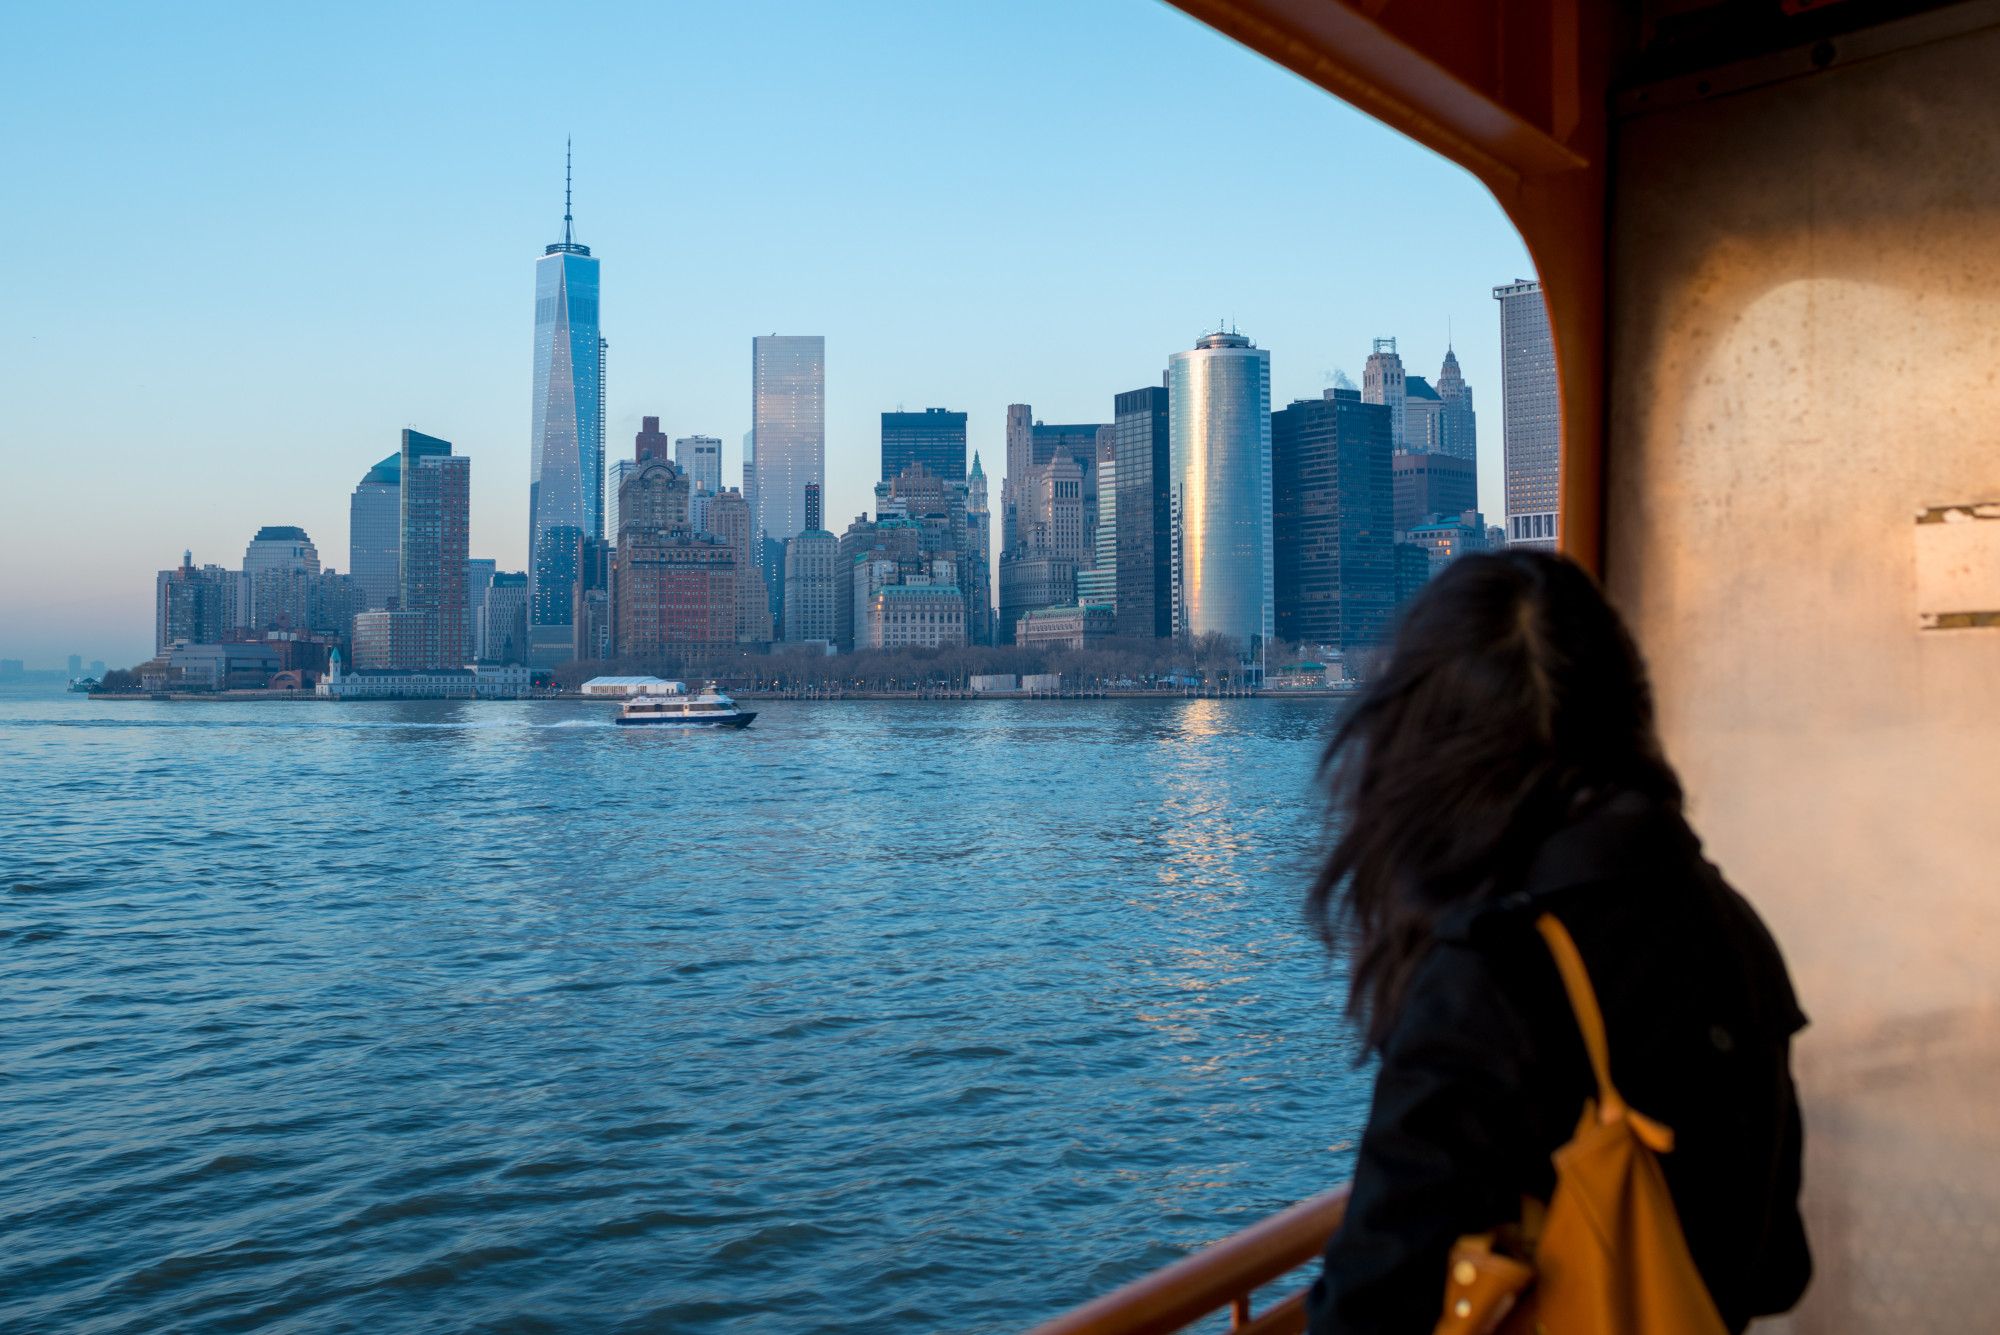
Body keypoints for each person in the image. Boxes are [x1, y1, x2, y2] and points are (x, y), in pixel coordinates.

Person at [1304, 551, 1810, 1334]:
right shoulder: (1731, 926)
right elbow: (1778, 1267)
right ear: (1627, 708)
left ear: (1426, 745)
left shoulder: (1492, 977)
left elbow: (1369, 1311)